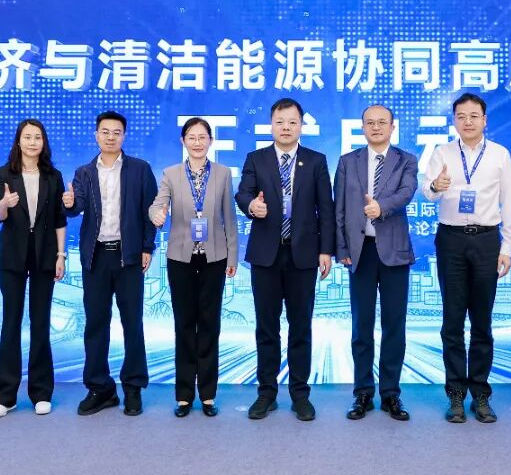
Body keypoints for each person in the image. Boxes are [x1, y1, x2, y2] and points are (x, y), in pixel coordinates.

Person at [236, 97, 334, 421]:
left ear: (301, 126)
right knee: (267, 327)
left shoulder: (316, 161)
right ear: (271, 125)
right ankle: (266, 393)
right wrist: (252, 206)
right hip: (266, 254)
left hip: (303, 255)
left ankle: (300, 394)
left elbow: (326, 208)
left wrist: (326, 250)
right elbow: (243, 193)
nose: (286, 127)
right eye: (280, 122)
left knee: (300, 326)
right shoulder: (257, 159)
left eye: (292, 122)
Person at [422, 92, 511, 424]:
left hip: (487, 240)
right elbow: (428, 193)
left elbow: (508, 201)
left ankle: (480, 394)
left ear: (485, 120)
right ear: (454, 121)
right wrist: (437, 185)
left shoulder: (500, 154)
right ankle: (456, 395)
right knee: (452, 322)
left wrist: (507, 247)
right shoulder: (442, 152)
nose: (467, 121)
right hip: (451, 240)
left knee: (482, 322)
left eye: (474, 116)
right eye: (461, 116)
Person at [62, 110, 158, 417]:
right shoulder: (84, 173)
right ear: (96, 135)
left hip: (129, 256)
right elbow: (76, 207)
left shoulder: (140, 169)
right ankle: (100, 388)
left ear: (124, 136)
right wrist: (69, 204)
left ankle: (133, 387)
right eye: (105, 131)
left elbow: (150, 211)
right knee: (95, 324)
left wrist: (147, 247)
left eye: (116, 132)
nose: (110, 137)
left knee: (133, 323)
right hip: (95, 257)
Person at [149, 117, 238, 418]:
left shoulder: (223, 174)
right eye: (191, 137)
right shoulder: (171, 174)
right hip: (180, 259)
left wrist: (233, 257)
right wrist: (156, 214)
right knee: (184, 325)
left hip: (214, 258)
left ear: (210, 141)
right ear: (183, 141)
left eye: (202, 137)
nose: (197, 142)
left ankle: (208, 395)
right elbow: (157, 204)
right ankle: (184, 396)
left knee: (210, 325)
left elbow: (229, 218)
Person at [334, 104, 417, 421]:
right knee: (361, 326)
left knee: (394, 325)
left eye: (382, 122)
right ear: (363, 127)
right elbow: (339, 208)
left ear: (392, 127)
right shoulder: (347, 162)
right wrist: (342, 247)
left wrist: (380, 207)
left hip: (394, 252)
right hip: (360, 252)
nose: (376, 127)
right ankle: (363, 392)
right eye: (370, 122)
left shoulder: (406, 160)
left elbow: (407, 193)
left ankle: (391, 393)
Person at [0, 119, 68, 418]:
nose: (33, 142)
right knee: (11, 323)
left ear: (43, 143)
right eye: (27, 137)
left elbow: (60, 219)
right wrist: (5, 204)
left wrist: (61, 255)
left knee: (40, 323)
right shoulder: (4, 174)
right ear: (18, 141)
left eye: (38, 137)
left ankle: (41, 392)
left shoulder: (53, 176)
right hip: (12, 256)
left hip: (45, 255)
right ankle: (5, 396)